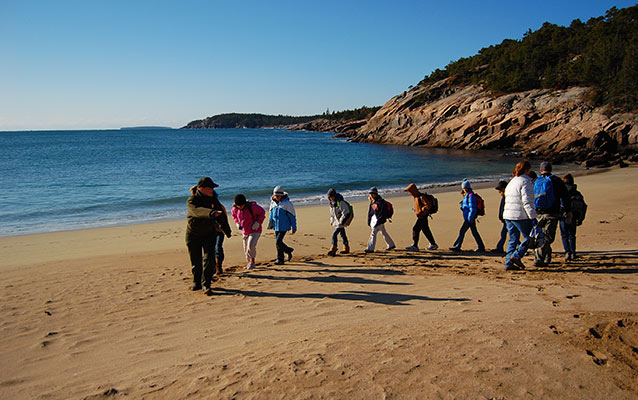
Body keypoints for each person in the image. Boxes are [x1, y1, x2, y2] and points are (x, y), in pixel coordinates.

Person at [186, 177, 231, 295]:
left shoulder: (213, 200)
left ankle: (206, 284)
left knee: (209, 259)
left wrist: (227, 230)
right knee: (196, 260)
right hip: (193, 234)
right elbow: (197, 211)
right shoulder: (192, 200)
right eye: (210, 187)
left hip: (209, 234)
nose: (212, 190)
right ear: (202, 188)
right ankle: (197, 282)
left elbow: (221, 215)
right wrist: (211, 213)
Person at [534, 161, 571, 267]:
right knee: (548, 237)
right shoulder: (557, 181)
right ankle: (539, 258)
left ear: (541, 170)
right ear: (551, 169)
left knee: (540, 236)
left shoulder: (537, 180)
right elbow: (565, 197)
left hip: (538, 212)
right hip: (552, 213)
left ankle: (545, 256)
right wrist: (567, 210)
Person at [189, 184, 231, 275]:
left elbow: (224, 218)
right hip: (207, 231)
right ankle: (212, 268)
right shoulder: (197, 204)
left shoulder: (218, 206)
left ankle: (218, 266)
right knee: (211, 251)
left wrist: (224, 228)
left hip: (218, 230)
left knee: (217, 248)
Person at [502, 161, 537, 270]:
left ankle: (508, 261)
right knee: (530, 237)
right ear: (526, 170)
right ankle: (516, 256)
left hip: (508, 214)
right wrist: (533, 216)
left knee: (513, 238)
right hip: (519, 215)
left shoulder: (512, 182)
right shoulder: (525, 182)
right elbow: (527, 201)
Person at [450, 179, 486, 252]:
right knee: (474, 232)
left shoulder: (471, 195)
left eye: (464, 187)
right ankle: (481, 246)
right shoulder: (468, 195)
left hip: (469, 218)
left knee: (462, 231)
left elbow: (473, 208)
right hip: (469, 217)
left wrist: (470, 218)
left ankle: (457, 246)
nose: (463, 189)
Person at [232, 194, 266, 269]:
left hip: (255, 229)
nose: (240, 207)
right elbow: (234, 216)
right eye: (238, 205)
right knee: (246, 249)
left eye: (241, 205)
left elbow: (262, 213)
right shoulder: (235, 209)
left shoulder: (252, 207)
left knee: (251, 245)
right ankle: (249, 262)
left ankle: (252, 262)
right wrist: (237, 223)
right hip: (245, 231)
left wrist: (258, 222)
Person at [559, 174, 586, 261]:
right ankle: (573, 252)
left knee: (564, 235)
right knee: (572, 235)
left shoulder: (562, 193)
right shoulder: (577, 193)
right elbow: (583, 206)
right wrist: (581, 218)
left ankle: (567, 251)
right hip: (574, 216)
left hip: (564, 216)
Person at [404, 183, 438, 251]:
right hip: (421, 215)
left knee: (415, 229)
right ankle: (433, 244)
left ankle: (415, 245)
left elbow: (428, 205)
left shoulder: (421, 197)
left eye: (410, 192)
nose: (410, 193)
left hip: (423, 216)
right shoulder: (416, 197)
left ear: (413, 191)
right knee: (425, 230)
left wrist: (422, 210)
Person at [268, 186, 297, 265]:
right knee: (278, 243)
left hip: (284, 226)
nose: (277, 197)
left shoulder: (287, 204)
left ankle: (284, 255)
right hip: (276, 226)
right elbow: (271, 214)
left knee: (278, 242)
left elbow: (292, 216)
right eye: (275, 196)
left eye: (278, 196)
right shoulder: (273, 203)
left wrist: (294, 227)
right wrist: (270, 224)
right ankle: (284, 254)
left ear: (282, 195)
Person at [365, 187, 395, 253]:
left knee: (373, 233)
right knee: (383, 232)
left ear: (376, 194)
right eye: (370, 194)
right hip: (377, 220)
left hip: (379, 220)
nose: (371, 195)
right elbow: (370, 212)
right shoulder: (372, 202)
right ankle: (391, 245)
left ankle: (370, 248)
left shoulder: (380, 202)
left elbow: (382, 213)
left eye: (372, 194)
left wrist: (379, 222)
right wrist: (369, 221)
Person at [326, 188, 352, 256]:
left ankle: (334, 248)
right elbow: (332, 214)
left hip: (341, 222)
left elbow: (346, 212)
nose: (330, 198)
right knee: (343, 234)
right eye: (329, 197)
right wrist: (332, 221)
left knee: (334, 234)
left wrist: (342, 221)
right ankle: (346, 247)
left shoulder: (340, 202)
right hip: (337, 222)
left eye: (331, 196)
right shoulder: (332, 203)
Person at [491, 180, 508, 254]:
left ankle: (499, 248)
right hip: (505, 219)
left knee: (510, 234)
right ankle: (499, 247)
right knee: (506, 234)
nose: (499, 192)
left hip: (508, 219)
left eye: (500, 190)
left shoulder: (507, 197)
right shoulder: (504, 197)